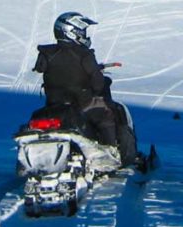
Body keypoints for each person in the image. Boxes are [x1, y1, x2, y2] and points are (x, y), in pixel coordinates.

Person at [33, 12, 119, 151]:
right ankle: (111, 149)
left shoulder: (46, 52)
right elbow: (98, 84)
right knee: (106, 116)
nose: (84, 35)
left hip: (54, 104)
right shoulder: (84, 54)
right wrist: (97, 85)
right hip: (82, 103)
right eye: (82, 31)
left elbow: (39, 68)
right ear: (72, 32)